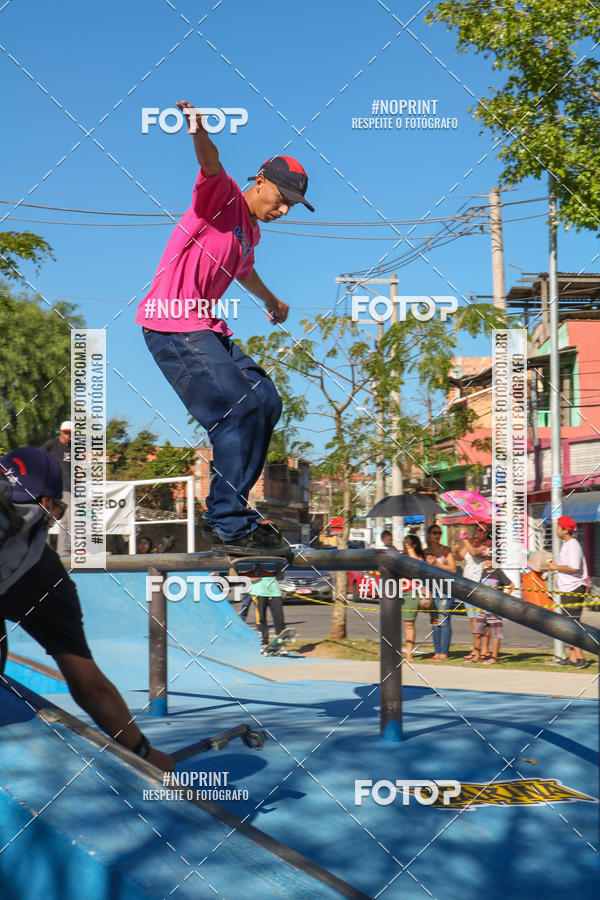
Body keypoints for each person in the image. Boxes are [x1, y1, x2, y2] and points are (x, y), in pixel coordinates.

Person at [137, 100, 314, 558]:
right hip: (171, 324)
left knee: (266, 402)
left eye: (293, 206)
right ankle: (228, 523)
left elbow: (244, 271)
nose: (285, 212)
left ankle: (234, 511)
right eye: (283, 200)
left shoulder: (248, 232)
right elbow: (210, 162)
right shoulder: (224, 199)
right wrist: (197, 128)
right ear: (260, 182)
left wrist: (271, 300)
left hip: (206, 328)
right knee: (236, 409)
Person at [0, 447, 174, 771]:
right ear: (46, 504)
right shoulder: (45, 578)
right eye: (59, 511)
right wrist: (144, 753)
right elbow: (91, 688)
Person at [547, 515, 590, 668]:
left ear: (565, 530)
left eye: (558, 528)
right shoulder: (567, 544)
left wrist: (556, 567)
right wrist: (557, 565)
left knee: (571, 624)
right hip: (567, 588)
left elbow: (574, 568)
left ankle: (580, 657)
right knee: (569, 622)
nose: (556, 530)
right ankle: (572, 657)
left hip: (574, 588)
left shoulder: (573, 545)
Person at [456, 524, 492, 661]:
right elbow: (459, 557)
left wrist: (464, 539)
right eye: (479, 529)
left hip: (481, 583)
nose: (482, 532)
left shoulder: (489, 542)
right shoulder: (470, 541)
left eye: (485, 530)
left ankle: (485, 649)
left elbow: (475, 553)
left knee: (483, 619)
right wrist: (459, 542)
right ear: (476, 531)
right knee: (473, 619)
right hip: (467, 583)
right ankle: (476, 649)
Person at [469, 557, 514, 664]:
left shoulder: (499, 573)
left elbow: (511, 585)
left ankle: (494, 657)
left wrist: (504, 597)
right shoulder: (484, 572)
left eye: (491, 560)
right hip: (483, 608)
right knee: (477, 632)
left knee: (495, 634)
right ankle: (477, 655)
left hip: (495, 609)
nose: (488, 562)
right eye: (486, 560)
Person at [425, 524, 457, 660]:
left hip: (445, 588)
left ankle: (444, 653)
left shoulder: (446, 550)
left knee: (444, 621)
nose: (437, 535)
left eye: (439, 533)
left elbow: (453, 569)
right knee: (434, 621)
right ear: (429, 535)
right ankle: (437, 652)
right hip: (432, 588)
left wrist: (438, 564)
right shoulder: (426, 552)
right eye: (434, 533)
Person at [41, 421, 72, 558]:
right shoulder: (52, 444)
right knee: (72, 516)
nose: (68, 435)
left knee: (63, 518)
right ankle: (69, 550)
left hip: (70, 488)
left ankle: (63, 552)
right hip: (57, 488)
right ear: (61, 432)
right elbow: (37, 456)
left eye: (71, 433)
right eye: (66, 432)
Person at [401, 534, 427, 664]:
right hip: (398, 592)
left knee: (409, 624)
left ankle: (409, 653)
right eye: (404, 543)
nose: (405, 545)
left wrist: (410, 549)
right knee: (394, 624)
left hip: (411, 592)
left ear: (414, 545)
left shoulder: (419, 558)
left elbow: (416, 564)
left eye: (408, 543)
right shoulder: (401, 557)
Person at [250, 574, 286, 652]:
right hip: (258, 591)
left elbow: (281, 575)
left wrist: (281, 573)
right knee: (261, 618)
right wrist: (249, 578)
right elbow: (234, 572)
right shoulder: (252, 562)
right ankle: (264, 643)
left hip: (274, 591)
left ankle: (280, 643)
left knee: (279, 618)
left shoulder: (274, 561)